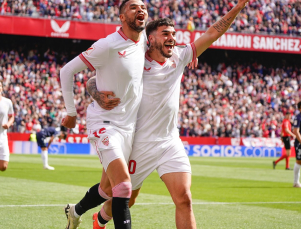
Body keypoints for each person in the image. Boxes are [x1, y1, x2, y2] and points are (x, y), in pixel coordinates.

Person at [88, 1, 251, 226]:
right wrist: (98, 95)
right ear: (150, 39)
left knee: (184, 199)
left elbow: (213, 33)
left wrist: (238, 8)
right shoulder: (134, 60)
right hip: (138, 143)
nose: (172, 38)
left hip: (169, 142)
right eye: (165, 34)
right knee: (127, 198)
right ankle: (101, 218)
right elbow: (92, 81)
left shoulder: (180, 57)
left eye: (173, 34)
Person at [60, 1, 148, 228]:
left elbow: (95, 80)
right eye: (133, 7)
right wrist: (71, 113)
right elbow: (67, 70)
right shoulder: (108, 45)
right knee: (124, 187)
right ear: (121, 17)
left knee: (107, 189)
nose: (140, 10)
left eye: (143, 7)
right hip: (105, 123)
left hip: (130, 127)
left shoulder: (144, 41)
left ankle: (75, 211)